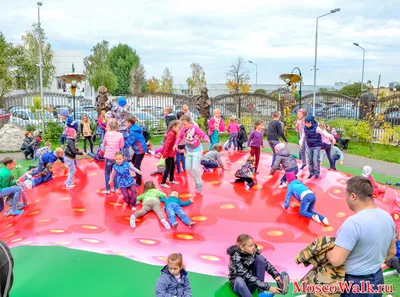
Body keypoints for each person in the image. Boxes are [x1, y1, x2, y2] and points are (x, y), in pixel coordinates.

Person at [326, 176, 397, 297]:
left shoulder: (353, 223)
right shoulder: (388, 218)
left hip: (355, 285)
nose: (346, 199)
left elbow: (336, 260)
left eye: (346, 195)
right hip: (377, 279)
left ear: (353, 196)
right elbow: (391, 253)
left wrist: (326, 251)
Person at [174, 115, 209, 194]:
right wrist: (176, 144)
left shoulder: (195, 128)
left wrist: (206, 138)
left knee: (195, 167)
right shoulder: (183, 129)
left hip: (197, 150)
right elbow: (180, 137)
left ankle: (199, 184)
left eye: (184, 124)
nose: (183, 126)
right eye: (182, 124)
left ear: (189, 123)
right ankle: (197, 180)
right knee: (188, 168)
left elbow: (202, 134)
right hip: (189, 150)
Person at [124, 115, 148, 186]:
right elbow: (130, 137)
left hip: (140, 150)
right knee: (134, 161)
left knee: (136, 165)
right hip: (139, 149)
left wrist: (122, 144)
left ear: (129, 123)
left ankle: (138, 181)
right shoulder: (134, 128)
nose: (125, 124)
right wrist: (123, 136)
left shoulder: (133, 131)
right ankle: (138, 174)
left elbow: (130, 141)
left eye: (126, 122)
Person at [103, 119, 124, 195]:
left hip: (108, 155)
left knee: (107, 173)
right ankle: (116, 188)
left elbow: (104, 143)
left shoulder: (107, 134)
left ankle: (108, 189)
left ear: (109, 126)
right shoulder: (120, 135)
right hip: (116, 157)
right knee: (115, 172)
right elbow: (121, 145)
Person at [161, 120, 180, 189]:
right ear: (173, 127)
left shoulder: (173, 133)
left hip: (171, 154)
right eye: (178, 127)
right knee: (168, 168)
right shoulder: (171, 134)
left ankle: (171, 179)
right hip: (168, 154)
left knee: (172, 167)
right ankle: (163, 182)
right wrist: (165, 154)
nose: (179, 129)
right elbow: (167, 144)